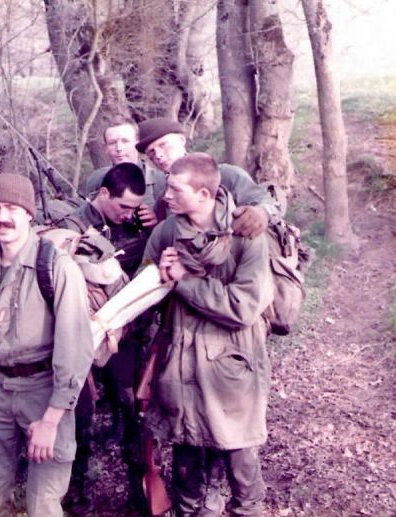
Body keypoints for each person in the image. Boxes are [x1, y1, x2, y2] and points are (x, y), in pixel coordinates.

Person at [0, 173, 93, 516]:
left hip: (46, 390)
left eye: (12, 208)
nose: (2, 217)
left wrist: (51, 421)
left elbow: (75, 352)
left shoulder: (56, 267)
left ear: (28, 213)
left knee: (43, 503)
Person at [143, 153, 273, 515]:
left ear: (203, 194)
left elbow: (244, 307)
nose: (166, 195)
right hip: (180, 363)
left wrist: (184, 282)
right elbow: (144, 285)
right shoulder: (167, 231)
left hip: (232, 368)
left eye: (175, 189)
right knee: (186, 458)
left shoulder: (246, 235)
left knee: (240, 462)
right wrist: (156, 277)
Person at [58, 162, 160, 513]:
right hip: (82, 336)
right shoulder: (72, 226)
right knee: (78, 417)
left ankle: (139, 489)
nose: (128, 214)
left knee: (133, 412)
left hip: (126, 337)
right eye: (123, 206)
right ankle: (78, 494)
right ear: (103, 193)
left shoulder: (138, 225)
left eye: (134, 207)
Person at [136, 117, 280, 238]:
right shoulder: (164, 196)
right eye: (151, 152)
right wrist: (157, 222)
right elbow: (160, 246)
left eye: (163, 145)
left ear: (181, 140)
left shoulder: (225, 175)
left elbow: (269, 202)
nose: (158, 155)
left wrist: (262, 212)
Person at [82, 120, 168, 209]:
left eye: (125, 141)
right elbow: (83, 213)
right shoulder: (96, 179)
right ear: (105, 148)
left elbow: (171, 215)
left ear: (137, 143)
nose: (119, 148)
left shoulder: (160, 180)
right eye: (112, 143)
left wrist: (155, 215)